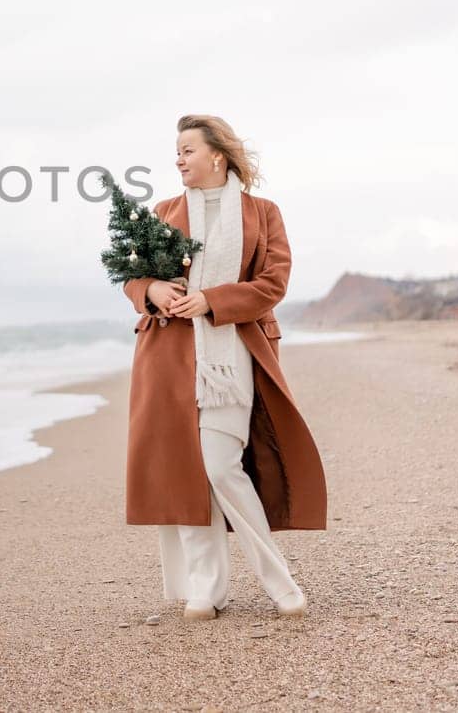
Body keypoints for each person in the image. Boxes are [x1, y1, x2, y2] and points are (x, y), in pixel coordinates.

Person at [120, 114, 327, 620]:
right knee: (186, 471)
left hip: (234, 358)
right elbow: (132, 275)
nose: (178, 159)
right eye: (176, 151)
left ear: (217, 155)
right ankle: (206, 590)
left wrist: (210, 300)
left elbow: (273, 284)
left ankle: (279, 582)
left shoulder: (263, 212)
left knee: (219, 466)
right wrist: (150, 290)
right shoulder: (164, 211)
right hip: (168, 359)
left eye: (187, 150)